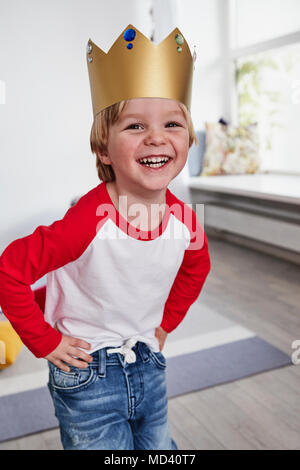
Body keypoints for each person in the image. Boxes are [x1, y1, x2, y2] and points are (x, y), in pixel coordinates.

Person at [0, 25, 211, 450]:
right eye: (135, 127)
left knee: (159, 448)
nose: (156, 136)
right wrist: (45, 340)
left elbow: (197, 268)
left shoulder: (186, 221)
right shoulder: (88, 220)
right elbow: (10, 270)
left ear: (187, 140)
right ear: (103, 149)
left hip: (147, 360)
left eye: (172, 123)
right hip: (86, 369)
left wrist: (166, 322)